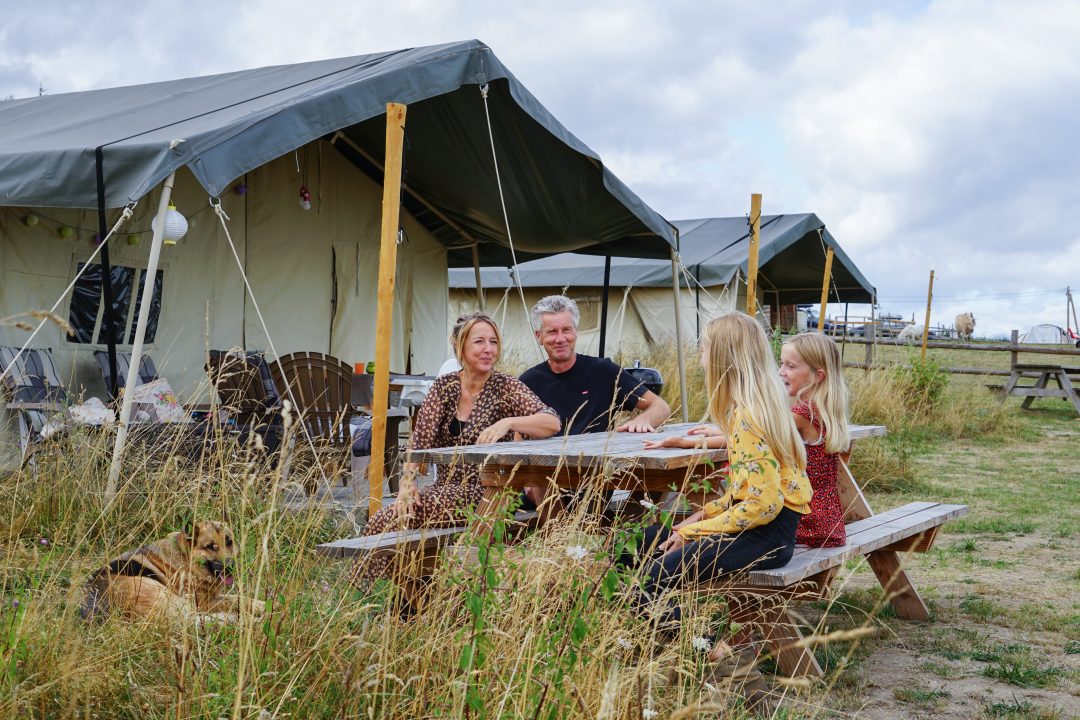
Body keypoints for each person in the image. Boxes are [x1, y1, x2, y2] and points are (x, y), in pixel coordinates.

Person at [627, 312, 812, 712]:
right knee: (633, 545)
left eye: (705, 347)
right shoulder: (760, 406)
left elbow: (762, 506)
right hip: (765, 529)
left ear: (724, 358)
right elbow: (746, 492)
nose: (699, 354)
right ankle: (659, 655)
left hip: (765, 536)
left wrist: (695, 533)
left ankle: (730, 666)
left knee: (651, 581)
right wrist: (696, 519)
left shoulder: (749, 416)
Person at [353, 312, 561, 584]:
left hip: (492, 495)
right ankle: (399, 595)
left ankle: (363, 594)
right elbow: (420, 438)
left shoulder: (505, 387)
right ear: (460, 347)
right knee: (396, 514)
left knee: (387, 518)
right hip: (447, 491)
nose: (488, 349)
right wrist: (407, 481)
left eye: (493, 342)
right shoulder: (445, 386)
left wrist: (508, 421)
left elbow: (551, 422)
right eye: (479, 342)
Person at [517, 294, 671, 511]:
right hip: (546, 484)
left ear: (575, 333)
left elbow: (660, 406)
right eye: (552, 332)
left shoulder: (603, 371)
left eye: (566, 330)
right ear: (538, 336)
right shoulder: (528, 381)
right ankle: (562, 544)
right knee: (538, 483)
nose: (560, 338)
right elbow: (516, 437)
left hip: (598, 480)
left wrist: (644, 420)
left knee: (659, 475)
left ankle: (623, 537)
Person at [779, 332, 851, 548]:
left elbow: (756, 434)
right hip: (827, 519)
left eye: (790, 366)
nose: (781, 372)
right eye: (781, 364)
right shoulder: (824, 409)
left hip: (806, 521)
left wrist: (690, 442)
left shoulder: (802, 413)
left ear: (818, 376)